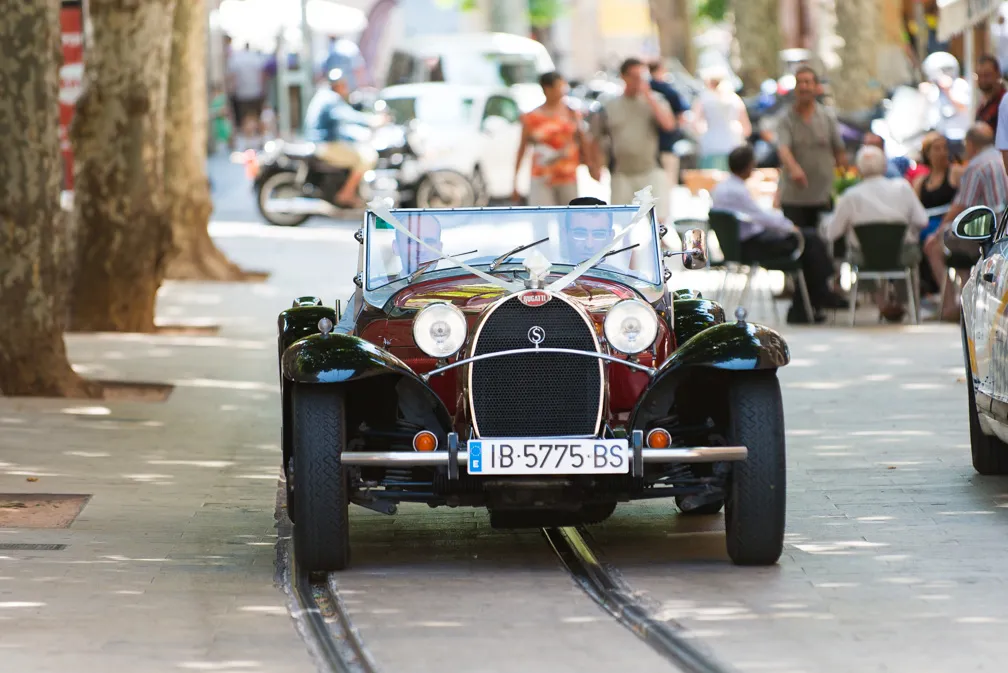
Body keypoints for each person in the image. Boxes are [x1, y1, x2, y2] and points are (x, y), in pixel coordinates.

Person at [711, 144, 845, 324]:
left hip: (743, 243)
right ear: (749, 166)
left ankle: (809, 304)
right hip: (751, 245)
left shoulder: (721, 188)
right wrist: (789, 227)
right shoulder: (737, 191)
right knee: (809, 240)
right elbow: (761, 217)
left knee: (808, 247)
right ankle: (818, 296)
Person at [825, 146, 928, 319]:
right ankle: (903, 303)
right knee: (905, 250)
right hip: (901, 256)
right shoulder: (903, 188)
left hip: (865, 259)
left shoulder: (850, 196)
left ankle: (881, 302)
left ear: (858, 169)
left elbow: (831, 233)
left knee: (860, 250)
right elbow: (922, 221)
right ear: (885, 167)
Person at [924, 122, 1008, 321]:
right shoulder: (1002, 158)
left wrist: (936, 234)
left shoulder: (977, 165)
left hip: (991, 232)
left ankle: (951, 306)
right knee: (960, 243)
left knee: (934, 244)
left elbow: (961, 205)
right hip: (1002, 229)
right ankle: (964, 297)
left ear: (970, 144)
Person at [590, 58, 677, 224]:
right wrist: (595, 165)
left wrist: (649, 96)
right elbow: (597, 136)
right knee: (620, 223)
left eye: (642, 76)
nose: (638, 81)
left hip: (650, 168)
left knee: (659, 222)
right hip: (621, 171)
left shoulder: (656, 100)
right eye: (634, 76)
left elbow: (669, 125)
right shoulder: (610, 105)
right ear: (624, 77)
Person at [776, 66, 848, 233]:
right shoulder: (786, 119)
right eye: (799, 82)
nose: (803, 87)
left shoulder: (827, 117)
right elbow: (783, 149)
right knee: (798, 242)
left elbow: (839, 150)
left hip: (822, 195)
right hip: (794, 197)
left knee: (822, 244)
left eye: (807, 82)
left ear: (816, 87)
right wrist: (794, 169)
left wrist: (845, 181)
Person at [302, 68, 379, 208]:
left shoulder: (323, 95)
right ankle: (346, 194)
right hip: (325, 145)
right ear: (339, 85)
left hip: (321, 142)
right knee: (367, 158)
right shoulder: (331, 99)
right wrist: (372, 120)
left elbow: (340, 126)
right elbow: (348, 116)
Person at [513, 72, 588, 206]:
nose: (562, 91)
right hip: (542, 177)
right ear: (547, 89)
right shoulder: (532, 117)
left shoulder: (572, 113)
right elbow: (522, 147)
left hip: (567, 176)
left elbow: (582, 140)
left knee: (569, 219)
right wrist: (515, 180)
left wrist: (591, 164)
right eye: (558, 87)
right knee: (541, 217)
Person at [912, 132, 963, 296]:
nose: (942, 152)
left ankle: (948, 299)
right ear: (927, 153)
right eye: (936, 148)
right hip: (925, 229)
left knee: (932, 244)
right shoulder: (921, 181)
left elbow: (962, 203)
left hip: (950, 228)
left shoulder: (956, 173)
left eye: (944, 148)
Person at [691, 65, 751, 171]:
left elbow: (694, 124)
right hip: (733, 145)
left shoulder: (703, 99)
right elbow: (747, 128)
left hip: (711, 147)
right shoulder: (734, 99)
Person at [648, 60, 690, 187]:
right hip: (666, 144)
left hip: (648, 147)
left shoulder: (645, 89)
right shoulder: (669, 90)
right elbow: (681, 116)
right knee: (667, 186)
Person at [226, 41, 266, 142]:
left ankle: (246, 141)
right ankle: (256, 140)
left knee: (242, 119)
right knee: (255, 117)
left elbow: (233, 77)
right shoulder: (256, 58)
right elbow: (261, 76)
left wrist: (231, 91)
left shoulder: (236, 59)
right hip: (255, 93)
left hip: (241, 94)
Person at [975, 55, 1006, 136]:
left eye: (987, 75)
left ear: (998, 74)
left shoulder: (1004, 102)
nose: (983, 80)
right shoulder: (983, 104)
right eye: (979, 75)